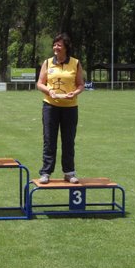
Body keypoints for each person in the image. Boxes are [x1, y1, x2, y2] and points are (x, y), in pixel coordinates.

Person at [36, 33, 85, 184]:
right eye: (55, 45)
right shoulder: (48, 62)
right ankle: (46, 173)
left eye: (59, 45)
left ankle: (69, 173)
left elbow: (81, 84)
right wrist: (48, 91)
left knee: (68, 141)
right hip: (50, 107)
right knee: (49, 140)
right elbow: (40, 83)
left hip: (70, 107)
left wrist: (75, 93)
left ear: (66, 47)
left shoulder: (75, 63)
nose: (56, 48)